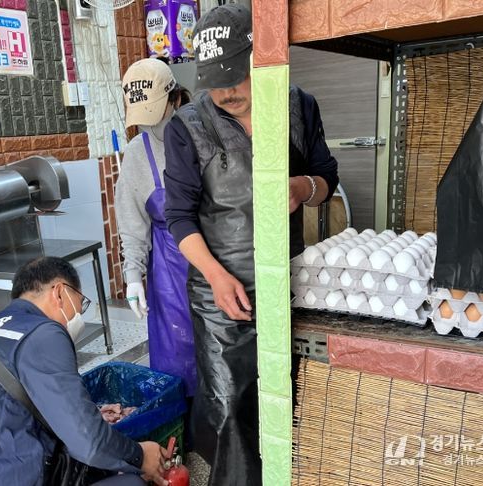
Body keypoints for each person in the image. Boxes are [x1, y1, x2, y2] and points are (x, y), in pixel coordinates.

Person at [163, 4, 339, 486]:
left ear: (259, 59)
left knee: (291, 395)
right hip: (221, 294)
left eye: (234, 76)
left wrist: (303, 188)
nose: (225, 92)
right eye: (214, 82)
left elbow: (327, 177)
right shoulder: (187, 127)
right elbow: (179, 216)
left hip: (289, 285)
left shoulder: (299, 107)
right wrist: (217, 277)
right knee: (229, 406)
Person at [0, 257, 168, 486]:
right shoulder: (43, 332)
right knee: (130, 482)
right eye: (80, 304)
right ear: (59, 293)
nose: (79, 314)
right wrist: (139, 456)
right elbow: (89, 442)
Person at [115, 58, 197, 398]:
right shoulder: (137, 153)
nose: (151, 125)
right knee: (176, 362)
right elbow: (133, 223)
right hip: (168, 273)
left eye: (156, 113)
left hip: (217, 260)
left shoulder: (203, 134)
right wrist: (133, 276)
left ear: (175, 99)